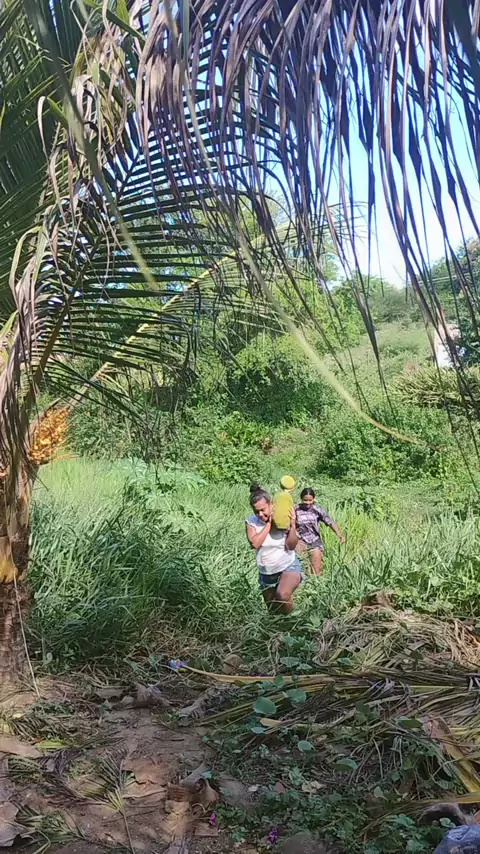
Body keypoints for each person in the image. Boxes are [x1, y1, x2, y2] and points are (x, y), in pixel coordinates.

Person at [246, 483, 302, 614]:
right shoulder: (251, 522)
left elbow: (291, 546)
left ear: (271, 505)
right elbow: (254, 543)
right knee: (273, 612)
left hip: (288, 565)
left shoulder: (282, 518)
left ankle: (292, 622)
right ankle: (281, 626)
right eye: (256, 511)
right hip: (267, 572)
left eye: (263, 509)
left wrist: (292, 525)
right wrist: (269, 524)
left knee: (282, 595)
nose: (260, 514)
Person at [295, 488, 346, 575]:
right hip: (300, 541)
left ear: (313, 499)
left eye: (310, 500)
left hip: (315, 541)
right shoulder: (295, 509)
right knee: (301, 571)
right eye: (305, 500)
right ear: (301, 499)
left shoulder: (317, 510)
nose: (308, 503)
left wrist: (340, 535)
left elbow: (330, 522)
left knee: (316, 572)